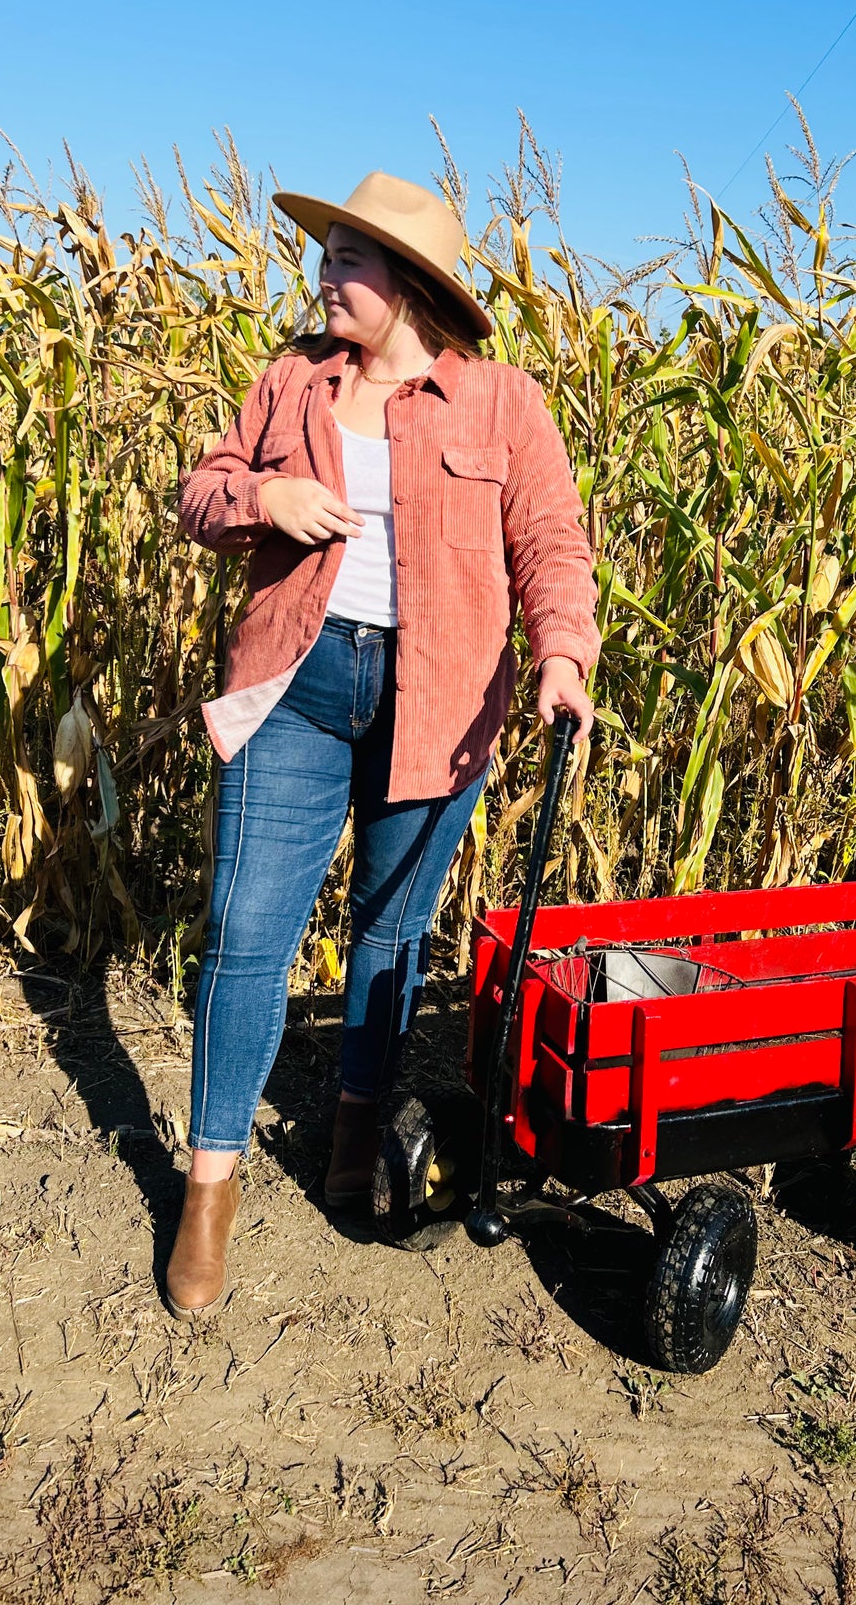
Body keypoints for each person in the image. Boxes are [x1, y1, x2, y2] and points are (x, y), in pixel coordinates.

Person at [166, 170, 599, 1317]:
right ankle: (208, 1190)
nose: (326, 274)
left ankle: (355, 1138)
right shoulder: (291, 381)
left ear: (409, 286)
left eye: (350, 259)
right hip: (296, 685)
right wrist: (267, 499)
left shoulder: (500, 401)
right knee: (245, 931)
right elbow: (197, 493)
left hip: (440, 698)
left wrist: (562, 652)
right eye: (331, 253)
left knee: (390, 931)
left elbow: (549, 540)